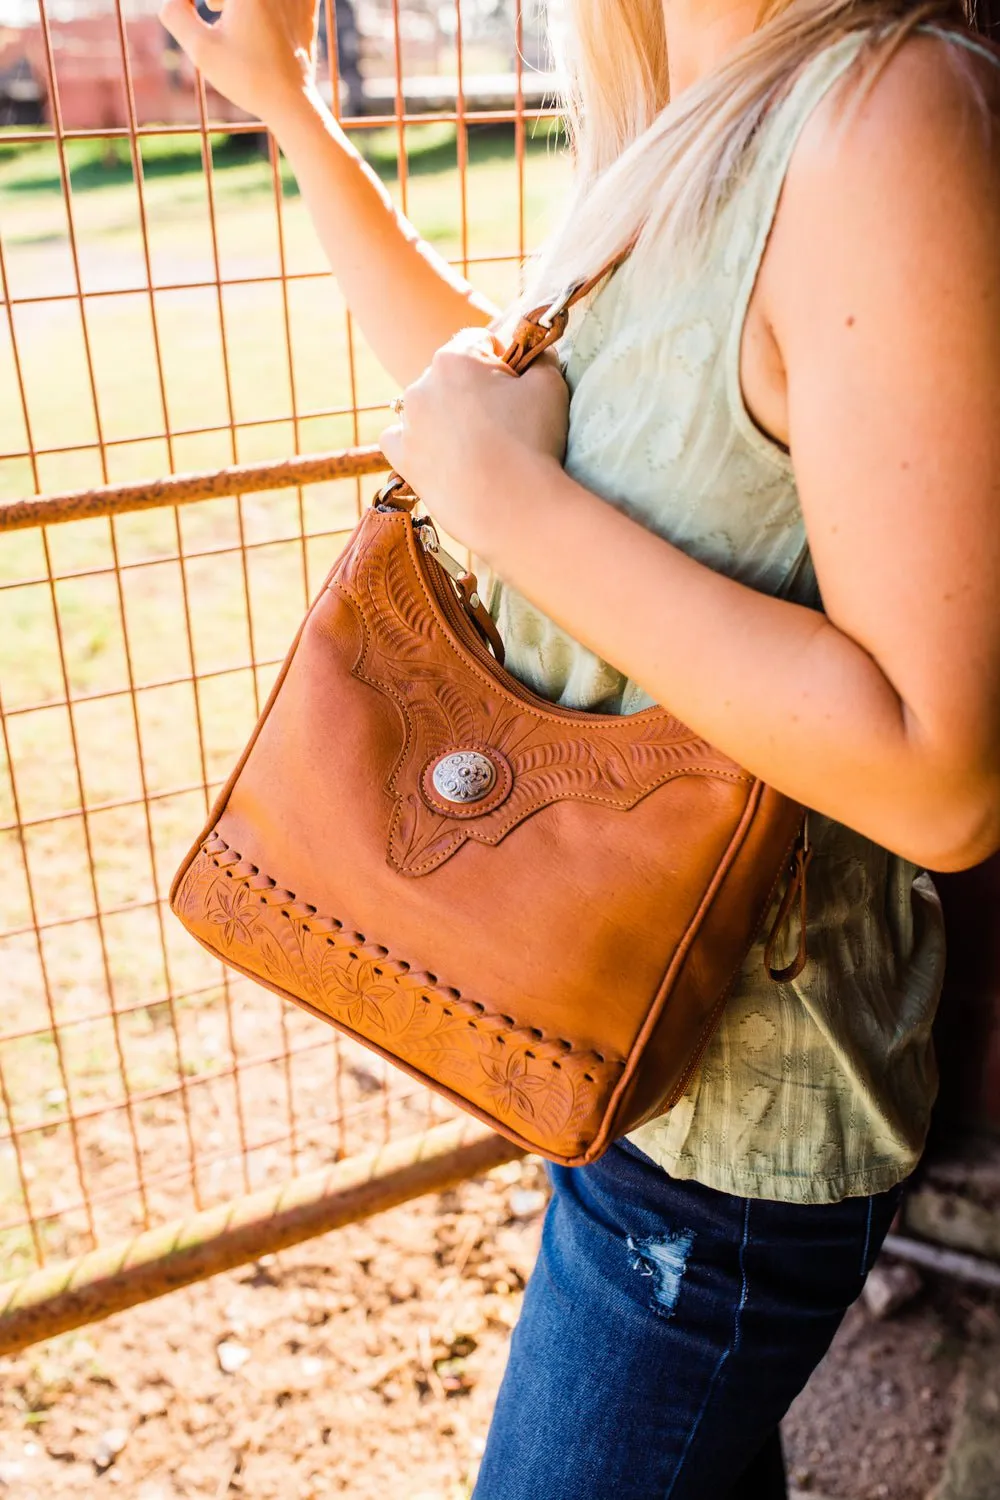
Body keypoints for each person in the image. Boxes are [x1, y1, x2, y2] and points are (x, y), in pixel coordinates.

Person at [158, 0, 1000, 1493]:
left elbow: (944, 775)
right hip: (620, 1066)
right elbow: (520, 413)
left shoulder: (887, 116)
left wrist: (511, 507)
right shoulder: (697, 104)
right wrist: (290, 109)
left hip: (728, 1148)